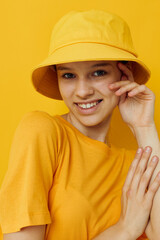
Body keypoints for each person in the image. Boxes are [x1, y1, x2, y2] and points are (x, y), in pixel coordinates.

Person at [0, 9, 160, 240]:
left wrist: (145, 128)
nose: (83, 91)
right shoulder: (43, 131)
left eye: (98, 72)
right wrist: (123, 230)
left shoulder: (134, 166)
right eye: (68, 75)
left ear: (124, 75)